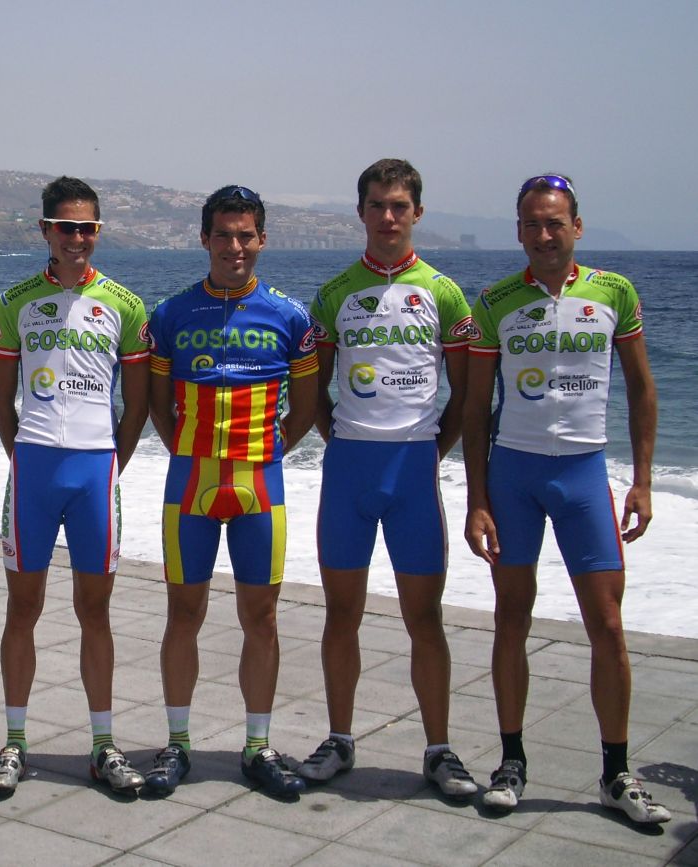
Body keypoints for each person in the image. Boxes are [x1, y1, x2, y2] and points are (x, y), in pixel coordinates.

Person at [463, 174, 670, 824]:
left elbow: (642, 389)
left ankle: (616, 772)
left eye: (555, 222)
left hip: (583, 476)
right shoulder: (495, 301)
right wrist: (476, 499)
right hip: (514, 477)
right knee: (511, 618)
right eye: (532, 223)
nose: (544, 234)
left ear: (576, 226)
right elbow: (474, 408)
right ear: (519, 231)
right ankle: (511, 761)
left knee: (607, 624)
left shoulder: (614, 292)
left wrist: (642, 480)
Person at [298, 159, 478, 799]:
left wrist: (431, 448)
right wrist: (344, 439)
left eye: (399, 205)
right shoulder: (334, 293)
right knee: (340, 614)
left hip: (413, 475)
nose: (388, 216)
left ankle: (439, 749)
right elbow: (313, 392)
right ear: (361, 213)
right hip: (350, 471)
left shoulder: (444, 293)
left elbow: (466, 394)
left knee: (424, 618)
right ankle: (339, 739)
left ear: (417, 213)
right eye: (376, 205)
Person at [144, 185, 317, 798]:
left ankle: (257, 745)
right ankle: (177, 743)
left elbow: (306, 409)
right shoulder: (170, 313)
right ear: (204, 239)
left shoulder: (291, 317)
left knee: (261, 618)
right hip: (189, 484)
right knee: (183, 615)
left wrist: (262, 454)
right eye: (223, 235)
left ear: (262, 240)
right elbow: (157, 407)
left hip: (259, 485)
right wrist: (192, 452)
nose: (234, 246)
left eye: (246, 236)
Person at [0, 176, 150, 794]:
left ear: (97, 232)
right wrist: (25, 456)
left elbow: (136, 407)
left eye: (88, 228)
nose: (77, 238)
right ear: (46, 231)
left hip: (93, 474)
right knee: (22, 608)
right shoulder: (15, 302)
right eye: (66, 227)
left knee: (94, 611)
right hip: (33, 472)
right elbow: (1, 401)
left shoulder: (125, 305)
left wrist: (110, 464)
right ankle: (14, 742)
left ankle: (103, 745)